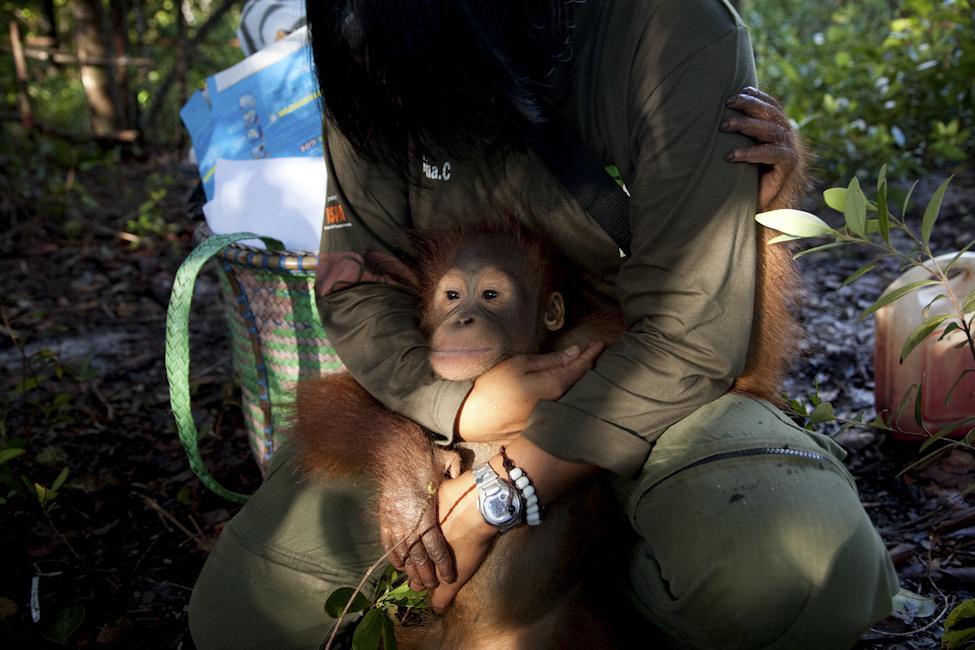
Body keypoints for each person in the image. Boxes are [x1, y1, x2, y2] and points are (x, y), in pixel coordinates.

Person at [189, 1, 899, 648]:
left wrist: (498, 496)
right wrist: (443, 411)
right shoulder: (372, 40)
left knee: (799, 574)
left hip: (661, 385)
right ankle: (579, 583)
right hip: (455, 401)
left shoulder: (671, 27)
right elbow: (357, 286)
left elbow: (699, 331)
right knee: (236, 621)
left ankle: (610, 578)